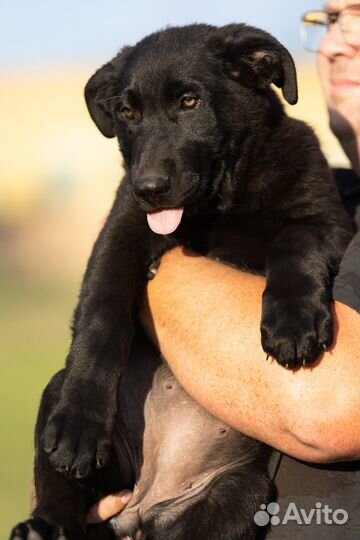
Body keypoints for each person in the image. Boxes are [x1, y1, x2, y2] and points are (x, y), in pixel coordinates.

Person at [87, 1, 360, 537]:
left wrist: (155, 268)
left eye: (359, 15)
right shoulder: (317, 188)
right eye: (329, 20)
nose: (334, 43)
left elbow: (323, 406)